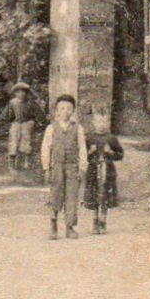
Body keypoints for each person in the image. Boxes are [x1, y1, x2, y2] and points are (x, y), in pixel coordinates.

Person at [39, 95, 91, 240]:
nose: (66, 111)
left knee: (71, 196)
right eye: (62, 108)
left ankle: (70, 227)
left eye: (69, 108)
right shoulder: (51, 128)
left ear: (73, 111)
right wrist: (46, 168)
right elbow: (45, 148)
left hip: (72, 167)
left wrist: (82, 168)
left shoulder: (78, 128)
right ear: (57, 111)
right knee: (55, 194)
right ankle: (53, 225)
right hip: (56, 166)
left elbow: (82, 148)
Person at [84, 110, 124, 235]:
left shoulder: (111, 138)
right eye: (98, 121)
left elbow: (120, 154)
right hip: (93, 169)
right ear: (93, 123)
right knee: (94, 195)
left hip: (107, 170)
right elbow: (82, 155)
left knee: (105, 196)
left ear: (108, 123)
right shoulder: (89, 138)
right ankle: (95, 222)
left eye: (104, 121)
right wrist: (90, 152)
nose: (101, 124)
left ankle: (103, 222)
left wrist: (111, 153)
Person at [0, 82, 46, 179]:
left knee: (26, 135)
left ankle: (26, 159)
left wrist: (38, 123)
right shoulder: (13, 103)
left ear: (27, 93)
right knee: (14, 135)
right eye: (18, 92)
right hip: (16, 123)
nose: (21, 94)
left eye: (23, 92)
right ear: (15, 93)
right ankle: (12, 159)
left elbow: (40, 115)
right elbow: (4, 116)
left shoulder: (31, 103)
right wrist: (7, 124)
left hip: (27, 123)